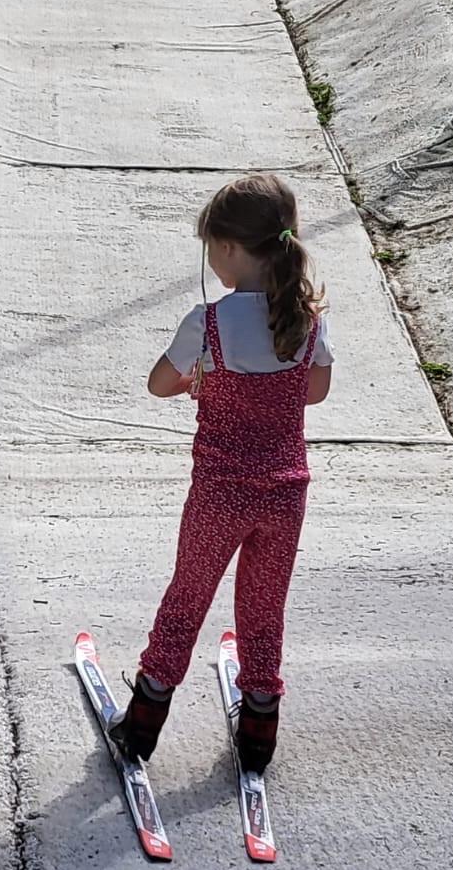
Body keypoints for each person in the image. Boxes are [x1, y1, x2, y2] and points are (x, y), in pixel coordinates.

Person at [107, 173, 333, 773]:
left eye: (211, 248)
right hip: (285, 496)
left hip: (219, 496)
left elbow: (158, 385)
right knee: (263, 609)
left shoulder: (206, 324)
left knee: (187, 600)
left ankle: (142, 724)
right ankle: (259, 733)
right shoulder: (307, 319)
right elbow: (314, 392)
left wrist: (197, 380)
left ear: (229, 250)